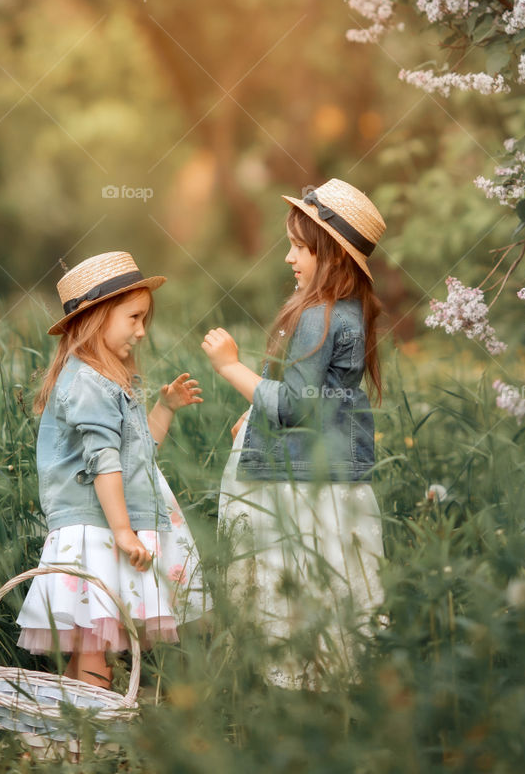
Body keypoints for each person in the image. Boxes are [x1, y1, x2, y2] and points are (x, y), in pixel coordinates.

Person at [202, 178, 388, 691]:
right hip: (331, 474)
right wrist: (255, 413)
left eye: (300, 247)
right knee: (330, 580)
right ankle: (327, 690)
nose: (289, 258)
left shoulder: (318, 316)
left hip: (299, 480)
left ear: (331, 257)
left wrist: (229, 366)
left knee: (294, 579)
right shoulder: (349, 311)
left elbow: (294, 406)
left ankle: (295, 694)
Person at [15, 250, 211, 688]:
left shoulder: (111, 381)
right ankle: (88, 744)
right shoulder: (88, 382)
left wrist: (163, 407)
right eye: (134, 318)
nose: (142, 332)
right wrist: (123, 531)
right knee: (97, 652)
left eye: (145, 320)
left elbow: (137, 456)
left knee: (93, 647)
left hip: (108, 528)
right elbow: (104, 463)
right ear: (97, 318)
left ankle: (67, 735)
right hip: (99, 531)